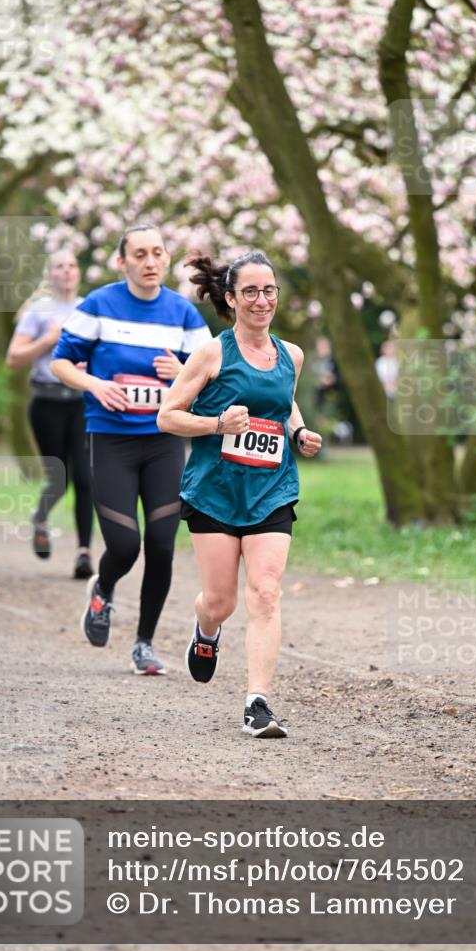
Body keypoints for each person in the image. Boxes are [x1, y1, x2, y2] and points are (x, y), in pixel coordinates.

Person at [157, 251, 322, 738]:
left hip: (272, 488)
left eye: (268, 290)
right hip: (214, 491)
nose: (261, 300)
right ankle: (206, 630)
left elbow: (284, 403)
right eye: (249, 291)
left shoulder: (291, 355)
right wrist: (215, 423)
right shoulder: (212, 353)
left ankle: (257, 702)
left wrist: (299, 433)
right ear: (230, 299)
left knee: (266, 593)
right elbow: (168, 416)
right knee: (221, 600)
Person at [51, 222, 211, 675]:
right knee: (124, 545)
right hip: (112, 439)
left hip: (163, 441)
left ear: (166, 258)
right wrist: (96, 384)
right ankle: (103, 589)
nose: (150, 262)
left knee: (161, 545)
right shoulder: (99, 304)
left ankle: (144, 643)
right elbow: (60, 362)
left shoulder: (182, 313)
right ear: (122, 261)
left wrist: (182, 370)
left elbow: (211, 377)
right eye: (139, 254)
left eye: (157, 253)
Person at [6, 249, 94, 579]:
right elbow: (13, 358)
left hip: (83, 402)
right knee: (60, 478)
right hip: (46, 403)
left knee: (86, 477)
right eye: (60, 266)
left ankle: (84, 553)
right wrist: (48, 339)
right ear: (50, 274)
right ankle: (40, 517)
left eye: (72, 265)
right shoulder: (38, 311)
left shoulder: (89, 308)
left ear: (78, 273)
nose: (67, 271)